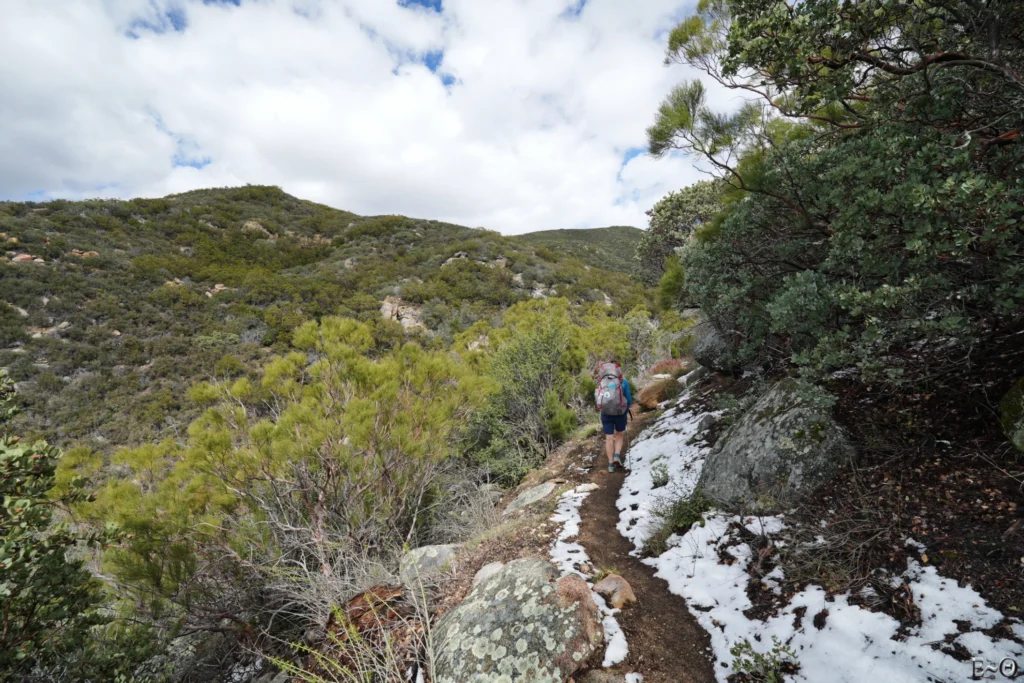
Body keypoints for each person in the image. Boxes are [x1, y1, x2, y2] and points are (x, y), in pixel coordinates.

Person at [594, 360, 633, 473]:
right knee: (619, 434)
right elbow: (629, 399)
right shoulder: (623, 381)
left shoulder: (602, 381)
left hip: (606, 413)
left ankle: (610, 464)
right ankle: (616, 456)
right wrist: (627, 408)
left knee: (609, 438)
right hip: (620, 413)